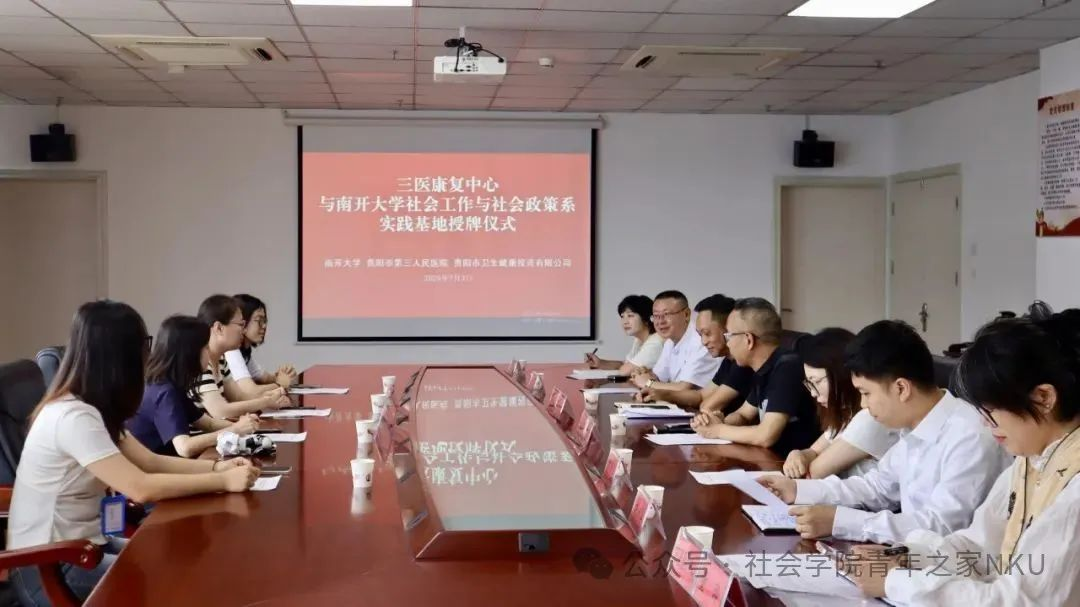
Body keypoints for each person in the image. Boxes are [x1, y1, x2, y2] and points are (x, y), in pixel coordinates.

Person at [8, 301, 260, 606]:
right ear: (121, 357)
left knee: (184, 565)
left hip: (86, 547)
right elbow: (141, 487)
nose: (147, 357)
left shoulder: (93, 409)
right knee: (179, 584)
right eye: (144, 346)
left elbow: (150, 462)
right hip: (50, 566)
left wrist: (218, 469)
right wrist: (223, 482)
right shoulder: (73, 416)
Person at [843, 311, 1080, 605]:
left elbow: (1016, 600)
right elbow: (978, 547)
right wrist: (905, 556)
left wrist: (896, 582)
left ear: (1043, 398)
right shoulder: (1031, 459)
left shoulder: (1073, 489)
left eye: (990, 410)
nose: (984, 423)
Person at [759, 320, 1012, 545]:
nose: (863, 404)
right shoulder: (915, 426)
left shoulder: (969, 435)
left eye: (866, 393)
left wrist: (841, 521)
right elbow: (877, 487)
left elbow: (941, 526)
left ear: (901, 388)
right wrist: (797, 490)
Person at [690, 298, 819, 455]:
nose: (727, 343)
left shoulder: (787, 367)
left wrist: (717, 430)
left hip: (790, 462)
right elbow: (744, 414)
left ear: (749, 340)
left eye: (729, 336)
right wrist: (720, 421)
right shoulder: (762, 367)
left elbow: (766, 436)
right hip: (767, 457)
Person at [127, 315, 261, 458]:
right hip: (155, 468)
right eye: (206, 348)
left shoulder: (172, 384)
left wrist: (243, 425)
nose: (210, 352)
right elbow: (185, 447)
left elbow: (208, 424)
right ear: (190, 353)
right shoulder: (165, 391)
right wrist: (235, 430)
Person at [783, 328, 899, 479]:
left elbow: (814, 472)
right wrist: (797, 454)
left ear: (843, 375)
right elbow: (814, 451)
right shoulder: (847, 412)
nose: (812, 393)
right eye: (809, 383)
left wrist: (802, 461)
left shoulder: (870, 417)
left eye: (816, 382)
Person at [641, 294, 754, 415]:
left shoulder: (742, 364)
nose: (703, 342)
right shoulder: (728, 361)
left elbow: (708, 406)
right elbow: (701, 395)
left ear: (728, 329)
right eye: (700, 335)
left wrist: (654, 387)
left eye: (707, 333)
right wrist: (660, 394)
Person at [196, 294, 290, 418]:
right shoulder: (200, 362)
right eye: (240, 325)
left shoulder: (221, 360)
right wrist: (267, 400)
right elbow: (220, 411)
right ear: (219, 328)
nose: (244, 330)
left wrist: (272, 395)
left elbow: (238, 397)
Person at [630, 290, 720, 391]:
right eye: (656, 316)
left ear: (686, 314)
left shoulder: (701, 340)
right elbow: (659, 377)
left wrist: (648, 383)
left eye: (667, 314)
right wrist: (643, 373)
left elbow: (684, 388)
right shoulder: (671, 340)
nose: (660, 321)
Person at [224, 294, 298, 400]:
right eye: (259, 320)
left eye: (264, 321)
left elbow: (264, 378)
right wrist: (280, 384)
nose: (264, 326)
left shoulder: (244, 350)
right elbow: (250, 392)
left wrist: (283, 374)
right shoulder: (231, 350)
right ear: (242, 321)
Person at [585, 294, 664, 374]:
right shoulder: (639, 339)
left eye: (630, 316)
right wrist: (600, 363)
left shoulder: (655, 342)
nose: (625, 322)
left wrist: (625, 368)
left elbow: (625, 371)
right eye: (622, 316)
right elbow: (625, 364)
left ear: (646, 318)